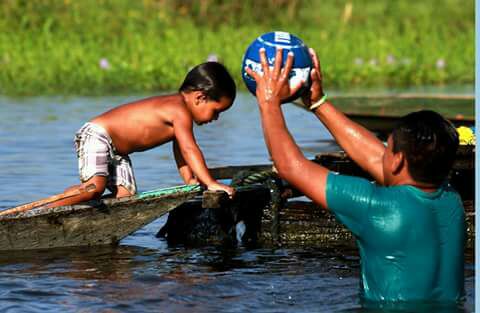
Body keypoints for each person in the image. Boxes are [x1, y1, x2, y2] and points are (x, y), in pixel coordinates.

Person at [245, 48, 465, 305]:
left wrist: (268, 102)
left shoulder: (378, 207)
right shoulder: (452, 200)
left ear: (399, 160)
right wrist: (318, 103)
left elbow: (290, 166)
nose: (381, 153)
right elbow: (376, 158)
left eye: (388, 147)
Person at [49, 62, 235, 208]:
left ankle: (81, 218)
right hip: (99, 135)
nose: (216, 118)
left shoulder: (180, 115)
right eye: (216, 111)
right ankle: (47, 210)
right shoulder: (178, 109)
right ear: (200, 98)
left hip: (117, 151)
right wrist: (210, 182)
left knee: (125, 198)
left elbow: (181, 150)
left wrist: (190, 181)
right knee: (94, 188)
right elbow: (189, 149)